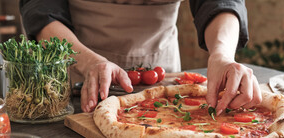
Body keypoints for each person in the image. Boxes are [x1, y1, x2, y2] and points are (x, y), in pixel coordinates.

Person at [19, 0, 261, 115]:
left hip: (160, 70)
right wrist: (90, 61)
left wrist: (221, 54)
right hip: (74, 67)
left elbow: (219, 2)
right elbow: (41, 11)